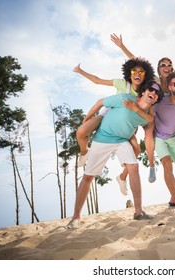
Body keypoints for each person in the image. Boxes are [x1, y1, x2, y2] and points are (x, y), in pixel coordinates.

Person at [110, 28, 175, 184]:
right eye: (163, 65)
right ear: (158, 68)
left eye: (169, 65)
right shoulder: (154, 79)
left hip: (171, 116)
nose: (166, 67)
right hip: (155, 113)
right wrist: (122, 46)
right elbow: (138, 61)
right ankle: (151, 166)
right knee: (148, 134)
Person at [65, 80, 164, 229]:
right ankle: (75, 218)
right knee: (88, 177)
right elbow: (100, 102)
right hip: (102, 138)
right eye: (151, 89)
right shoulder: (125, 98)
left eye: (157, 93)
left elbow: (151, 120)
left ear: (156, 99)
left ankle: (138, 212)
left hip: (122, 141)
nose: (154, 93)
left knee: (134, 167)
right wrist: (87, 118)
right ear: (143, 91)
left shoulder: (148, 113)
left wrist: (136, 110)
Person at [74, 57, 155, 192]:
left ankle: (122, 177)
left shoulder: (146, 91)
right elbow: (97, 80)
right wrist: (80, 71)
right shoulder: (122, 83)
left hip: (125, 126)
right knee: (81, 132)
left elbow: (151, 110)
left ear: (145, 74)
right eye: (134, 71)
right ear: (129, 73)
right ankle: (84, 151)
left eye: (141, 72)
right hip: (108, 115)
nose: (137, 74)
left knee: (136, 150)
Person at [152, 72, 175, 211]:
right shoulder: (160, 102)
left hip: (173, 138)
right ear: (169, 87)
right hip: (159, 138)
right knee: (167, 164)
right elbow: (148, 113)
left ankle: (173, 200)